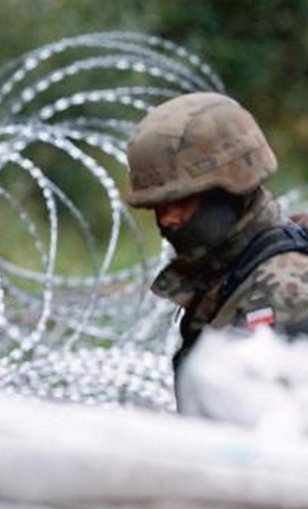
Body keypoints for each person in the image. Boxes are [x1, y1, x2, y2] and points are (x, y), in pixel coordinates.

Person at [124, 91, 308, 402]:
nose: (168, 220)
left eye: (182, 201)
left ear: (233, 187)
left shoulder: (282, 289)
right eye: (157, 206)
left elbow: (276, 434)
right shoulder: (230, 272)